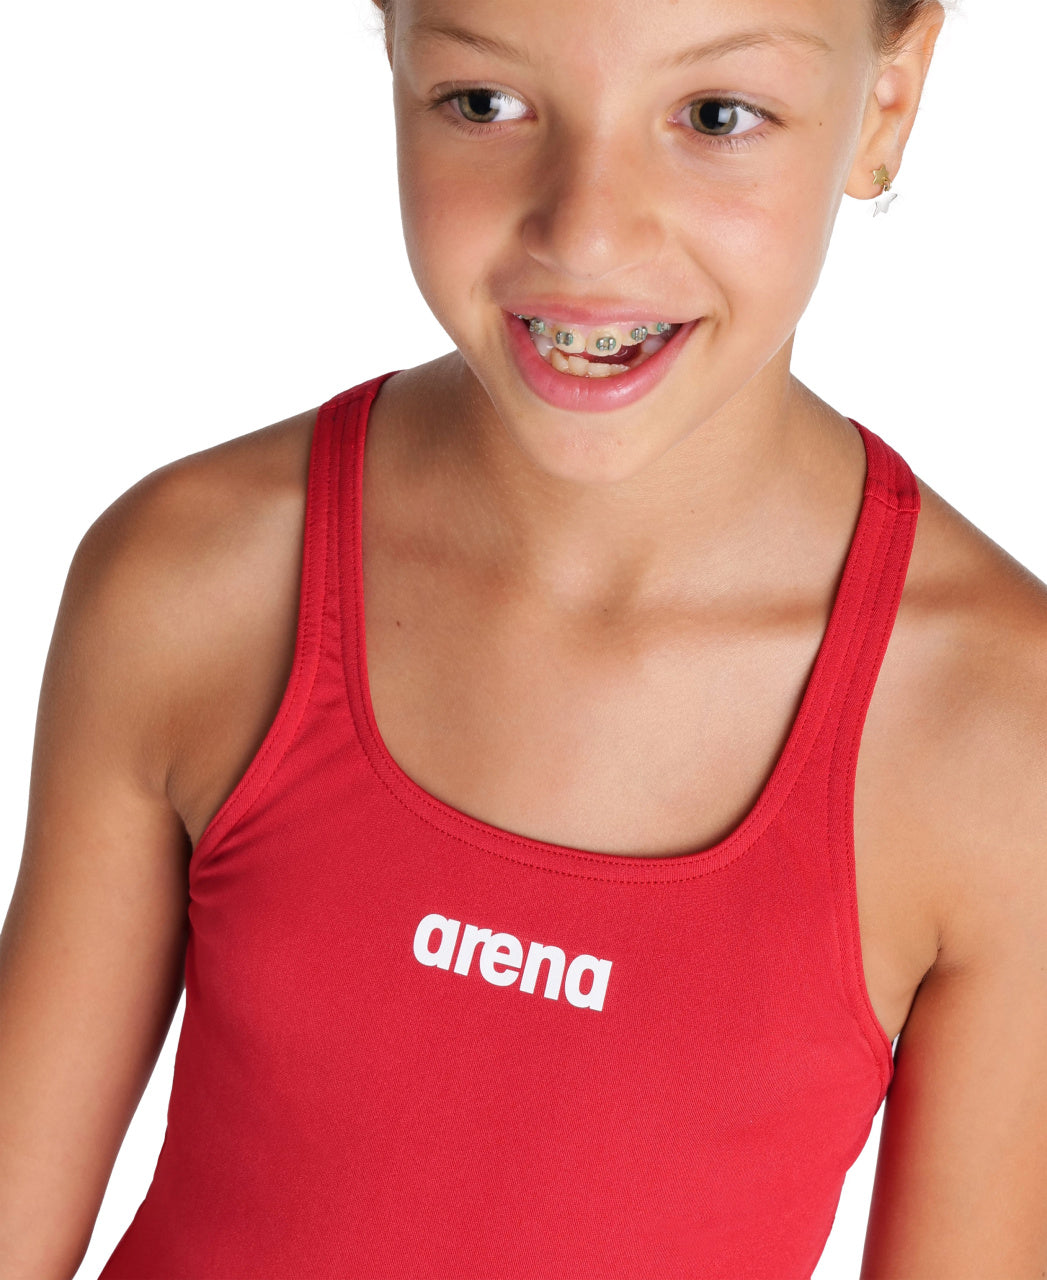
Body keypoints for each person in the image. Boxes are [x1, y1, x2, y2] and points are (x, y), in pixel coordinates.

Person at [1, 0, 1045, 1275]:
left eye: (717, 116)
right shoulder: (194, 580)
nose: (587, 231)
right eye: (485, 103)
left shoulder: (997, 729)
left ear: (886, 103)